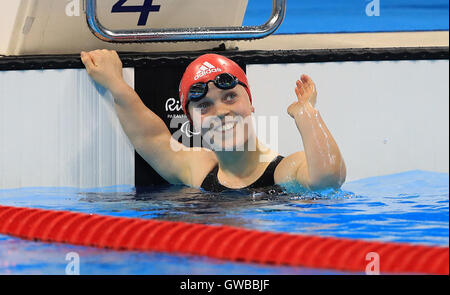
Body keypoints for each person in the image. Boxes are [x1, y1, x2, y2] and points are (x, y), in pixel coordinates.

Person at [80, 50, 346, 192]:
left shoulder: (286, 170)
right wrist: (115, 83)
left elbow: (329, 180)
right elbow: (151, 139)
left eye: (230, 97)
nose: (220, 111)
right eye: (204, 105)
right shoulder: (198, 169)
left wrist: (306, 113)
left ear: (250, 104)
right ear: (192, 121)